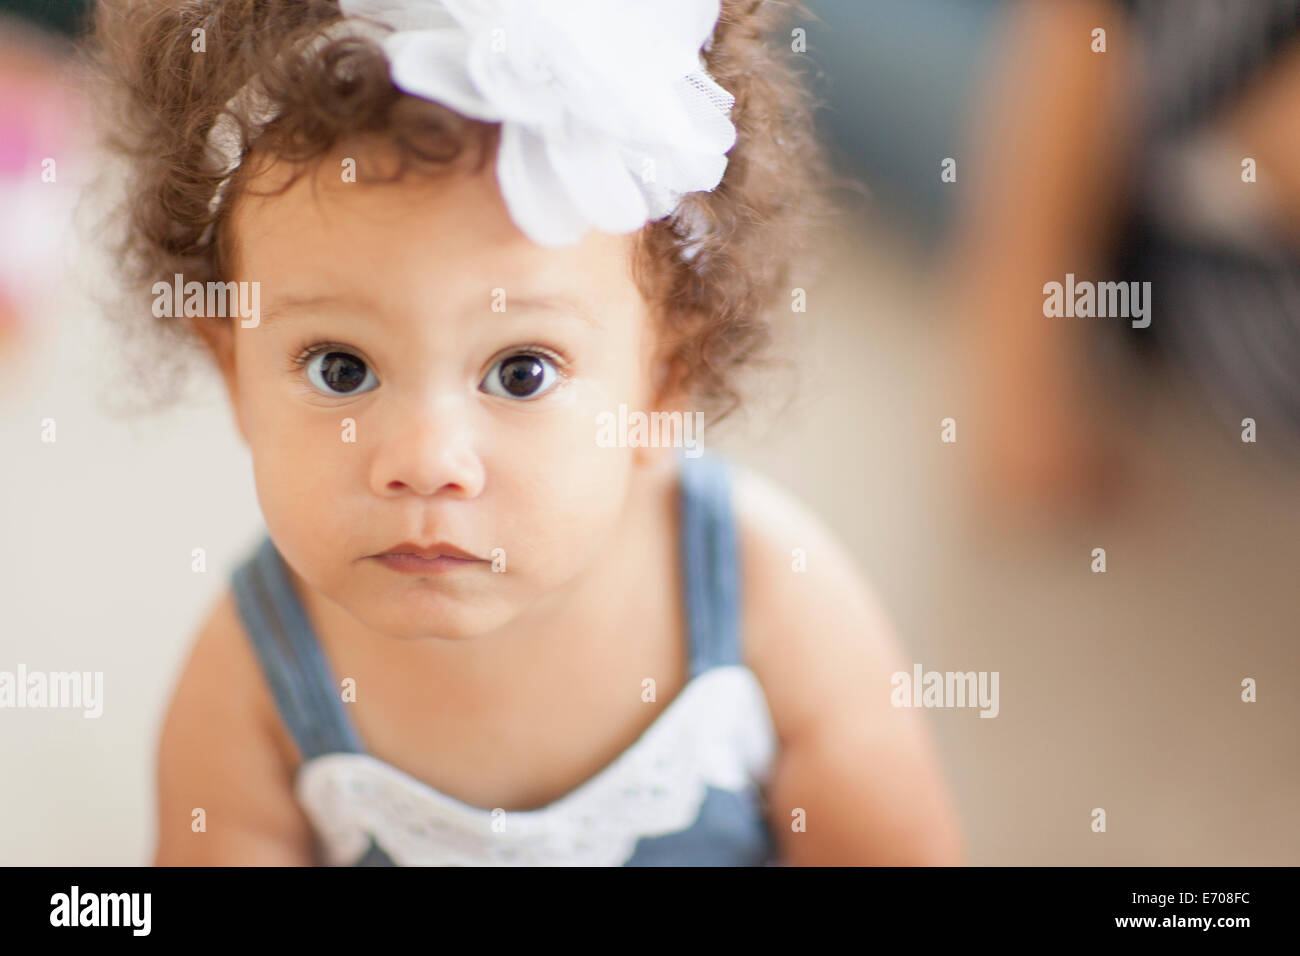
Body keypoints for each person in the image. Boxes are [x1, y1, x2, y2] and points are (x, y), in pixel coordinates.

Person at [91, 0, 962, 865]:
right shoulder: (255, 676)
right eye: (340, 368)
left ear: (664, 381)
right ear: (234, 370)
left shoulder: (768, 597)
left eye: (521, 372)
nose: (426, 462)